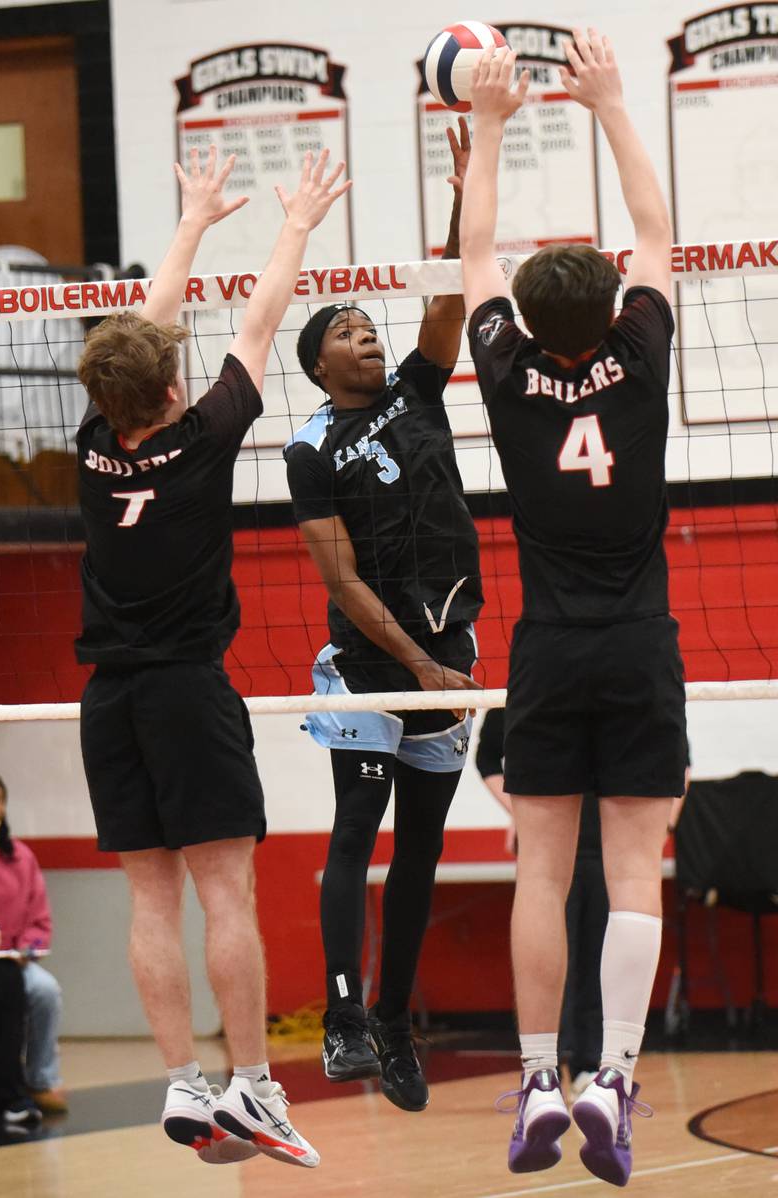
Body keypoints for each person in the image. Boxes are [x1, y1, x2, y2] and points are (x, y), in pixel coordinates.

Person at [75, 145, 350, 1168]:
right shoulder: (202, 437)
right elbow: (263, 319)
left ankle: (181, 1080)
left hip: (108, 699)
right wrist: (293, 225)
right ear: (174, 386)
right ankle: (252, 1086)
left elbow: (143, 336)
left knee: (152, 896)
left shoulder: (92, 446)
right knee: (223, 893)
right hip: (189, 691)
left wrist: (189, 221)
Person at [460, 33, 688, 1186]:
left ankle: (538, 1081)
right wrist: (605, 103)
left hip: (544, 647)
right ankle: (615, 1080)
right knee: (633, 866)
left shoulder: (500, 368)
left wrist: (487, 128)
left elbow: (473, 257)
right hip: (639, 639)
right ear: (611, 303)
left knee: (540, 872)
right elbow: (655, 230)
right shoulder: (640, 354)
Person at [284, 118, 483, 1113]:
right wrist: (411, 667)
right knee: (355, 825)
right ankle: (341, 1018)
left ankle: (397, 1023)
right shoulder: (309, 445)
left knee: (422, 848)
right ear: (320, 363)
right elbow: (343, 579)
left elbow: (444, 293)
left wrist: (462, 190)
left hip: (451, 646)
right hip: (370, 658)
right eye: (346, 331)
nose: (366, 333)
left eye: (370, 325)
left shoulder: (415, 389)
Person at [475, 712, 608, 1100]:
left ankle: (589, 1064)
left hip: (601, 842)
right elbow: (486, 758)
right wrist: (519, 810)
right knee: (549, 956)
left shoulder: (607, 685)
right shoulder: (519, 692)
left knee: (595, 955)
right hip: (547, 844)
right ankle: (543, 1066)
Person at [0, 768, 66, 1115]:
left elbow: (40, 921)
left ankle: (40, 1078)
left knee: (45, 991)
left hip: (12, 960)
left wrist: (26, 951)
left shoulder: (20, 857)